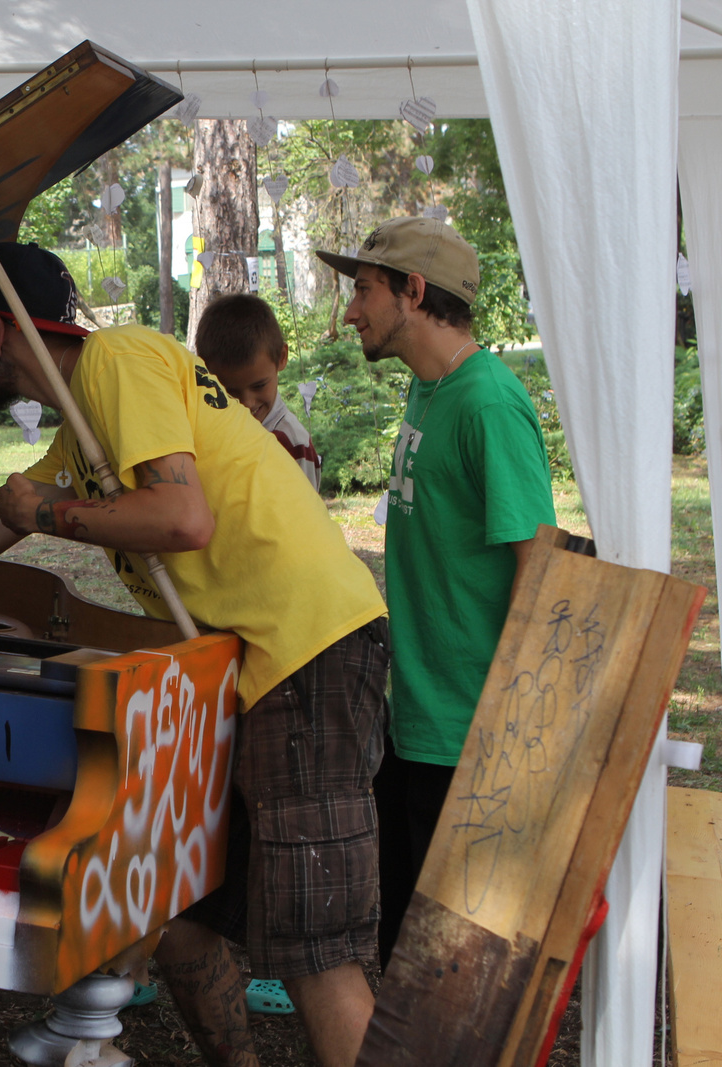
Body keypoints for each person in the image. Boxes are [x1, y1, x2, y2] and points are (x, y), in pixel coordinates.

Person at [0, 243, 389, 1067]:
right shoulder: (81, 431)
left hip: (306, 651)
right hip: (244, 674)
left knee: (320, 954)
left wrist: (53, 514)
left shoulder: (118, 358)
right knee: (181, 919)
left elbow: (183, 518)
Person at [317, 218, 556, 969]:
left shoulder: (487, 402)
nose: (350, 310)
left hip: (469, 740)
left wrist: (510, 734)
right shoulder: (431, 390)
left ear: (414, 292)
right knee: (403, 956)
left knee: (449, 972)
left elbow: (541, 569)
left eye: (363, 289)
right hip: (417, 721)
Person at [195, 293, 320, 491]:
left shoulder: (293, 445)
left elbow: (306, 519)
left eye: (259, 386)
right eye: (230, 391)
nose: (247, 403)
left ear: (282, 357)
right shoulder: (202, 431)